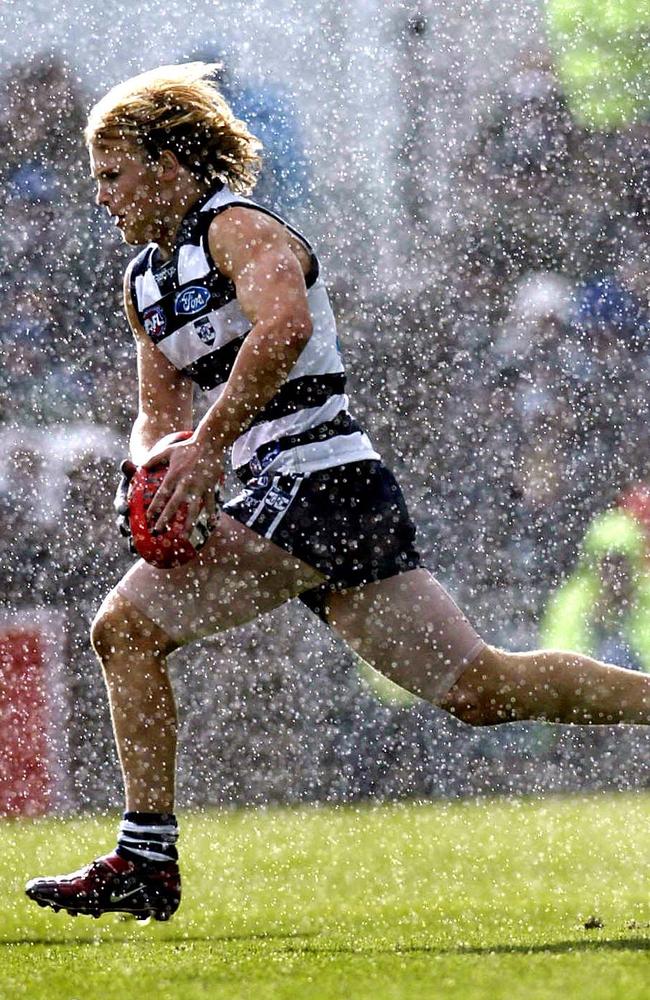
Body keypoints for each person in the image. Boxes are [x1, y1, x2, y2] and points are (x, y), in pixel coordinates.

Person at [25, 63, 650, 922]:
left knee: (123, 628)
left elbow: (287, 328)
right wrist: (153, 464)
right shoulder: (144, 284)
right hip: (297, 495)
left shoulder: (237, 228)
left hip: (325, 480)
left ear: (168, 164)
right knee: (479, 691)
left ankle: (146, 860)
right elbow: (153, 415)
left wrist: (206, 450)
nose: (101, 196)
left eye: (113, 173)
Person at [541, 508, 650, 672]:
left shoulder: (645, 601)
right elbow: (559, 667)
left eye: (621, 562)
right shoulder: (573, 603)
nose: (614, 573)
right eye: (607, 563)